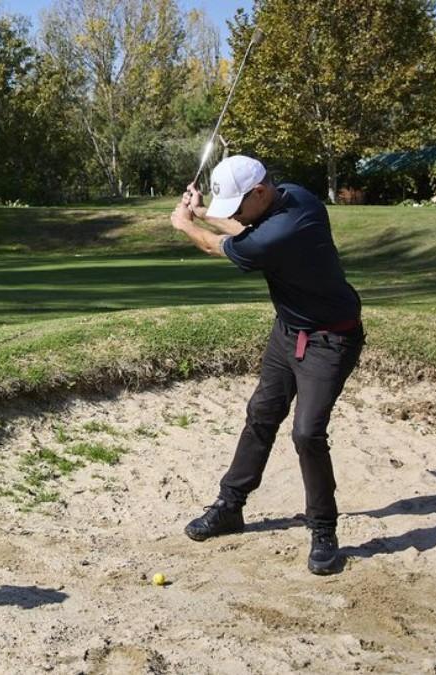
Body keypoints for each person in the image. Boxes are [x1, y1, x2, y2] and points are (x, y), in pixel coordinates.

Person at [169, 155, 364, 575]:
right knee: (261, 414)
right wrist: (203, 210)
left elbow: (221, 244)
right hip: (288, 333)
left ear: (259, 192)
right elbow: (244, 228)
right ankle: (230, 505)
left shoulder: (289, 224)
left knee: (307, 432)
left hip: (331, 340)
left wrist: (184, 223)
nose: (235, 215)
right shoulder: (291, 197)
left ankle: (324, 530)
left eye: (237, 204)